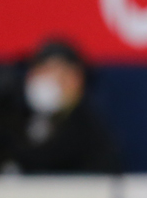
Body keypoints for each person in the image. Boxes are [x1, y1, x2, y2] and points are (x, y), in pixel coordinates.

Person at [17, 40, 122, 174]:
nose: (52, 81)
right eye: (44, 70)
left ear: (78, 79)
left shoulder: (87, 126)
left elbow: (45, 160)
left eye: (62, 74)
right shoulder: (21, 115)